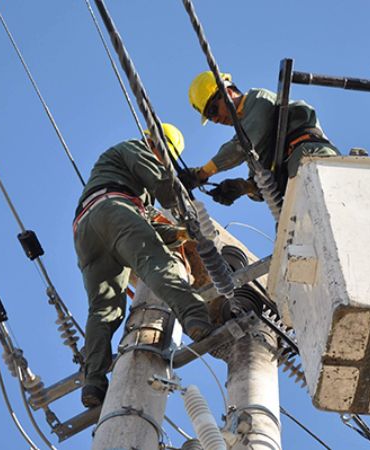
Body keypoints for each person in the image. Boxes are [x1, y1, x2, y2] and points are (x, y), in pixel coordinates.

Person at [72, 123, 214, 408]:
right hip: (113, 210)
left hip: (86, 230)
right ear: (158, 147)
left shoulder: (130, 187)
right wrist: (184, 207)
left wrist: (182, 234)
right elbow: (162, 184)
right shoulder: (134, 147)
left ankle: (94, 382)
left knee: (105, 309)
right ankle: (197, 318)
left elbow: (150, 226)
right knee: (158, 265)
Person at [182, 71, 340, 205]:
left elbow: (239, 147)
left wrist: (201, 174)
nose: (215, 119)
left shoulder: (258, 100)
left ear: (228, 93)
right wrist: (243, 187)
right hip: (294, 179)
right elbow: (263, 183)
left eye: (213, 110)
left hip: (309, 156)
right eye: (210, 117)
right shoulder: (249, 136)